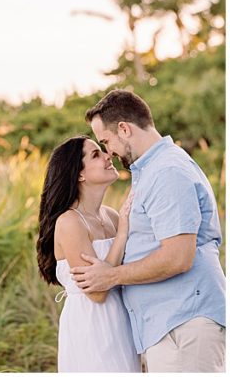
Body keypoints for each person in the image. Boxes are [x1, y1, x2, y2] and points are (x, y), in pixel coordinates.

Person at [73, 89, 225, 373]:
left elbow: (178, 256)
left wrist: (111, 276)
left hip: (183, 325)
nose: (109, 153)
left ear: (124, 129)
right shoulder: (154, 170)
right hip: (170, 326)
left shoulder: (167, 172)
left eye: (106, 141)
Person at [37, 135, 140, 372]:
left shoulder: (112, 216)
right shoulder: (70, 222)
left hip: (124, 319)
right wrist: (122, 233)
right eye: (96, 154)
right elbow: (97, 293)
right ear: (79, 174)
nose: (108, 156)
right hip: (92, 328)